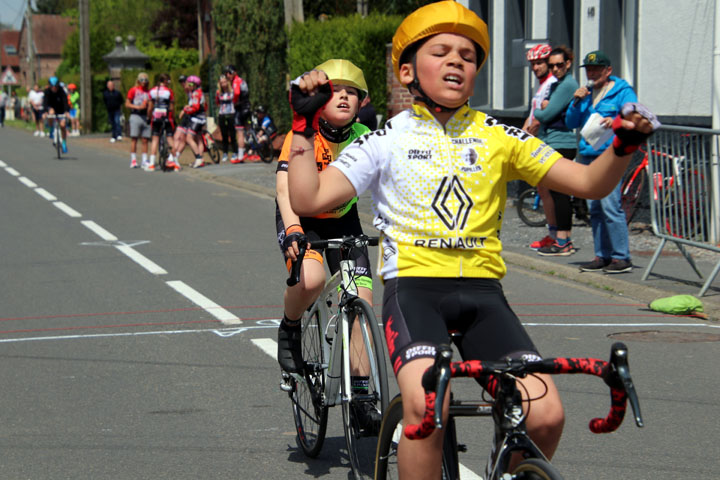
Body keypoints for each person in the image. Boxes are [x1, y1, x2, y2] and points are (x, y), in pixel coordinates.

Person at [284, 2, 658, 478]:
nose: (456, 61)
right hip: (414, 291)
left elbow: (588, 183)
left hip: (484, 295)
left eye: (467, 55)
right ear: (407, 71)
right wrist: (302, 128)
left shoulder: (499, 136)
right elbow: (309, 196)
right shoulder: (384, 140)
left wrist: (623, 144)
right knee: (426, 410)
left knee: (545, 414)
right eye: (440, 52)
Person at [275, 58, 380, 430]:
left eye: (353, 92)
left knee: (361, 307)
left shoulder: (365, 135)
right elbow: (284, 188)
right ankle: (290, 327)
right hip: (302, 219)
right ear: (320, 98)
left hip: (344, 219)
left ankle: (362, 396)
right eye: (336, 91)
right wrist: (292, 229)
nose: (345, 97)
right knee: (313, 280)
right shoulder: (303, 134)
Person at [566, 50, 638, 273]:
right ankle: (602, 255)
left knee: (610, 205)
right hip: (587, 154)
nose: (592, 73)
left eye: (597, 69)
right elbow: (570, 122)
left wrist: (614, 119)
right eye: (589, 70)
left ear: (608, 71)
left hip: (610, 156)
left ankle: (621, 257)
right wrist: (575, 102)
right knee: (594, 207)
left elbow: (634, 116)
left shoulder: (621, 91)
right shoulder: (586, 94)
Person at [533, 46, 580, 256]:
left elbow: (546, 115)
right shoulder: (558, 84)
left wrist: (540, 109)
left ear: (568, 64)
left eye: (559, 65)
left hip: (561, 142)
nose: (555, 69)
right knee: (557, 192)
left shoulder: (567, 84)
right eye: (551, 66)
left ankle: (563, 241)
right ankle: (564, 240)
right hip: (554, 141)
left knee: (559, 194)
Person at [523, 43, 558, 251]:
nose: (536, 68)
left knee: (548, 191)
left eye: (539, 63)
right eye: (533, 64)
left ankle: (556, 235)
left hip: (547, 141)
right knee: (543, 190)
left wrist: (526, 137)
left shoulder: (552, 84)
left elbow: (539, 119)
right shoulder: (541, 86)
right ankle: (552, 233)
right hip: (537, 140)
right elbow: (532, 115)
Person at [147, 73, 177, 171]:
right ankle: (176, 163)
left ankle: (151, 164)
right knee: (170, 139)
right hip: (167, 117)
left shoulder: (152, 91)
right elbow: (171, 108)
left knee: (155, 139)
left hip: (156, 117)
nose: (169, 83)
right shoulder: (169, 91)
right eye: (169, 81)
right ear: (165, 81)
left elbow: (150, 107)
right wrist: (173, 118)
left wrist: (149, 117)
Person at [175, 74, 207, 169]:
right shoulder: (197, 91)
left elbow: (195, 107)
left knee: (189, 138)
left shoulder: (196, 93)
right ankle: (200, 159)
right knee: (199, 139)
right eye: (188, 83)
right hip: (200, 118)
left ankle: (199, 158)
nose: (189, 85)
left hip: (197, 118)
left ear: (195, 84)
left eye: (191, 84)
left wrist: (185, 110)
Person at [223, 65, 251, 163]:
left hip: (240, 108)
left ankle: (240, 155)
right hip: (247, 106)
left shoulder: (236, 81)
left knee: (239, 132)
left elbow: (237, 93)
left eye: (229, 73)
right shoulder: (242, 80)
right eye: (226, 74)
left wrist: (234, 101)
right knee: (248, 128)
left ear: (235, 72)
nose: (228, 75)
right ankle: (252, 146)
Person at [125, 72, 151, 168]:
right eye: (142, 80)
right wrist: (138, 107)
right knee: (134, 138)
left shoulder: (149, 92)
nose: (144, 81)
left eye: (145, 80)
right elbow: (127, 104)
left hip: (145, 116)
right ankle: (133, 160)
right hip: (135, 115)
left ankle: (144, 160)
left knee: (145, 139)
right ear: (138, 81)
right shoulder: (133, 90)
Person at [42, 76, 69, 153]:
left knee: (63, 125)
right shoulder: (47, 91)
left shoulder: (61, 91)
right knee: (51, 112)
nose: (54, 88)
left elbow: (65, 101)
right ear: (50, 86)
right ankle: (51, 129)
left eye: (56, 87)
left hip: (61, 109)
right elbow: (45, 102)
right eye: (52, 87)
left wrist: (66, 111)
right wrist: (45, 111)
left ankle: (64, 143)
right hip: (51, 108)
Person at [215, 75, 238, 162]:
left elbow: (235, 101)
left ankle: (235, 152)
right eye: (222, 83)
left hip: (231, 114)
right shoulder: (218, 92)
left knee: (232, 134)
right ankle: (225, 153)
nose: (223, 84)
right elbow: (217, 102)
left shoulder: (232, 91)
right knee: (224, 135)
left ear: (227, 82)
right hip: (222, 114)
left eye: (225, 82)